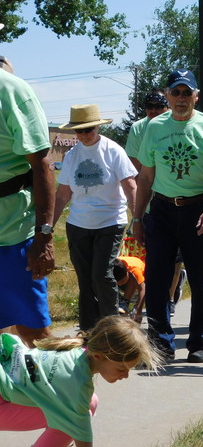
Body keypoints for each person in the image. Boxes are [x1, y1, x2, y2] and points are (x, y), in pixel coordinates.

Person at [133, 68, 203, 364]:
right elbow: (146, 176)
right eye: (175, 92)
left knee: (202, 281)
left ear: (196, 97)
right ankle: (161, 342)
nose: (180, 98)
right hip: (162, 209)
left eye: (186, 92)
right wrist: (138, 217)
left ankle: (198, 341)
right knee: (157, 277)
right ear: (167, 95)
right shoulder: (155, 127)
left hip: (199, 208)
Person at [0, 315, 161, 447]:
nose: (125, 376)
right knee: (70, 420)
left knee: (88, 404)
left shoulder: (77, 350)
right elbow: (83, 438)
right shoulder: (76, 385)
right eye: (121, 369)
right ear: (98, 356)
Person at [53, 104, 138, 331]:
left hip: (110, 221)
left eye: (88, 129)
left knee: (102, 275)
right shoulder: (72, 155)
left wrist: (138, 218)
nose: (83, 135)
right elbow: (63, 194)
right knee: (85, 280)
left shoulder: (113, 150)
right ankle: (88, 332)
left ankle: (112, 328)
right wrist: (47, 226)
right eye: (78, 131)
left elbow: (130, 186)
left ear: (98, 127)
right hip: (79, 224)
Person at [0, 57, 55, 347]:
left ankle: (57, 391)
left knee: (34, 334)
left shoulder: (12, 91)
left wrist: (43, 237)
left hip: (13, 235)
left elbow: (42, 164)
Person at [124, 90, 187, 317]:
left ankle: (169, 298)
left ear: (167, 106)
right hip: (151, 201)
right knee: (154, 257)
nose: (153, 111)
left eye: (158, 107)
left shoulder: (175, 123)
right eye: (149, 106)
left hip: (175, 199)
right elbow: (134, 163)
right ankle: (155, 299)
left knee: (176, 257)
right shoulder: (139, 128)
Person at [112, 255, 146, 323]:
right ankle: (123, 304)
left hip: (140, 279)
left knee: (132, 279)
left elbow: (142, 290)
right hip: (125, 272)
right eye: (118, 282)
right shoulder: (114, 266)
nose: (120, 284)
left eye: (122, 281)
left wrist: (138, 310)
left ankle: (125, 302)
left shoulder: (135, 270)